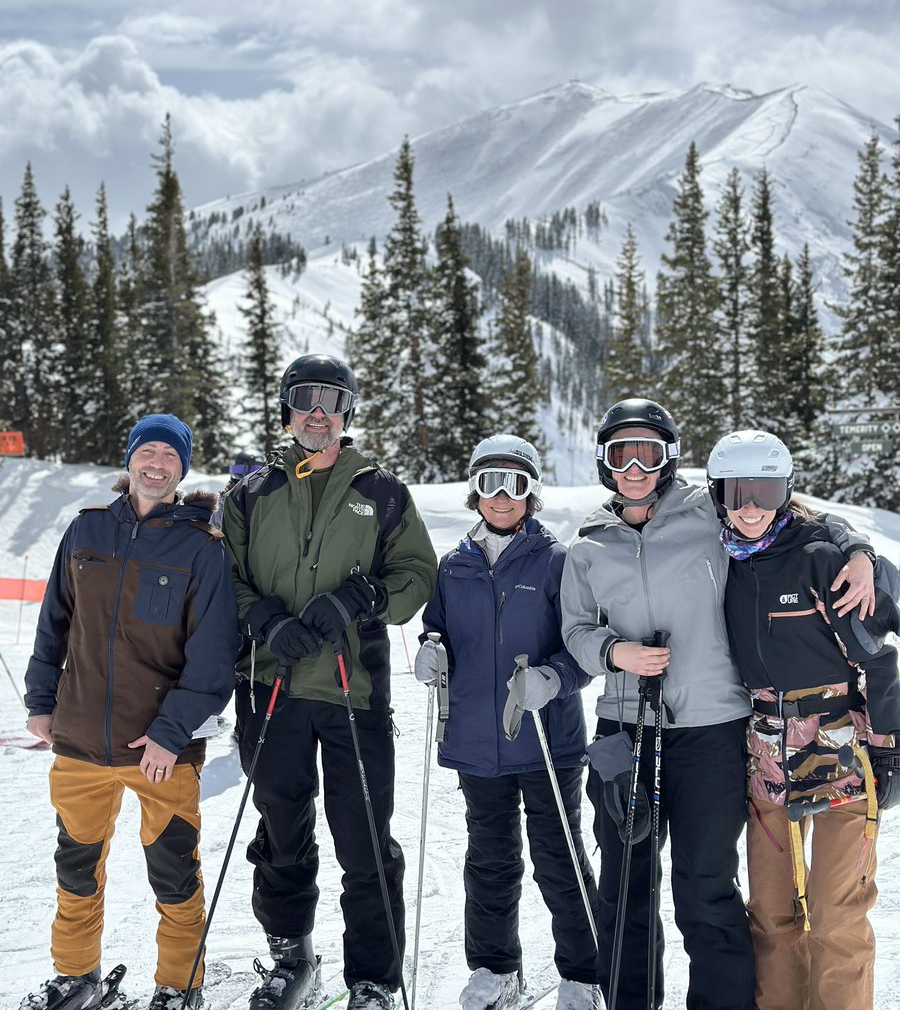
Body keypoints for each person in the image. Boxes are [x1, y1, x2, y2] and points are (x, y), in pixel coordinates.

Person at [560, 398, 876, 1010]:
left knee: (706, 884)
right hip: (625, 728)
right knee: (627, 885)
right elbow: (574, 631)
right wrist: (613, 652)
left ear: (669, 459)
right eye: (620, 453)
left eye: (647, 452)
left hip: (711, 729)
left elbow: (797, 516)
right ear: (604, 461)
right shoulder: (587, 546)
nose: (634, 467)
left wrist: (857, 546)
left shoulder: (711, 514)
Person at [222, 354, 437, 1010]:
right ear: (287, 410)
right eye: (304, 398)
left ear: (349, 411)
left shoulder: (384, 493)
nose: (318, 411)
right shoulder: (250, 493)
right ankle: (291, 956)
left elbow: (416, 576)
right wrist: (261, 617)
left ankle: (372, 979)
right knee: (281, 829)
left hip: (353, 693)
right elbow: (222, 577)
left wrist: (361, 597)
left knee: (365, 838)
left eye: (332, 399)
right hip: (272, 685)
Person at [22, 413, 239, 1010]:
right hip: (81, 742)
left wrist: (171, 734)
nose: (156, 464)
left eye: (170, 456)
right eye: (147, 452)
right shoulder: (87, 530)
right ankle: (75, 979)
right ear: (129, 459)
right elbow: (54, 623)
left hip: (160, 750)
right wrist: (42, 702)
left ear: (182, 468)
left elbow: (213, 660)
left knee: (174, 877)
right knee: (76, 872)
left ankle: (177, 988)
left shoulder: (201, 548)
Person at [706, 429, 900, 1010]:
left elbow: (880, 655)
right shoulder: (721, 563)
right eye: (737, 492)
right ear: (717, 493)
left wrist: (889, 745)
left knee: (836, 912)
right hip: (765, 748)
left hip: (838, 747)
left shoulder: (822, 557)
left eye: (765, 491)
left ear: (786, 490)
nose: (750, 508)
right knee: (771, 912)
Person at [416, 435, 599, 1010]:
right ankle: (496, 969)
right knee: (489, 860)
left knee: (559, 856)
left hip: (546, 739)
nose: (501, 496)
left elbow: (583, 649)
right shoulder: (455, 566)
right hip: (477, 740)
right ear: (475, 491)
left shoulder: (557, 561)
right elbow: (437, 628)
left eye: (515, 484)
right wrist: (430, 649)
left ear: (531, 493)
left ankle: (584, 973)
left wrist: (553, 678)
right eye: (490, 482)